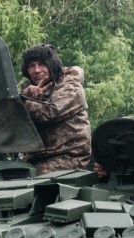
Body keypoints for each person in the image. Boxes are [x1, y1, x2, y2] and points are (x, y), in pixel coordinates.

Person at [18, 44, 91, 175]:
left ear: (52, 65)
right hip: (35, 159)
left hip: (69, 157)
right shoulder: (28, 89)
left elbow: (48, 113)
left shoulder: (71, 86)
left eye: (42, 64)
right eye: (31, 66)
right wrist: (25, 96)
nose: (37, 70)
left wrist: (24, 101)